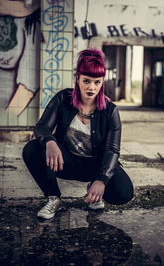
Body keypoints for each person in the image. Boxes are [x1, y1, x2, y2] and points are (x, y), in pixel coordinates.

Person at [22, 48, 134, 219]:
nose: (91, 87)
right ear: (78, 79)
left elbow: (112, 150)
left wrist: (102, 179)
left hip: (95, 165)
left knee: (124, 192)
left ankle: (93, 190)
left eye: (97, 82)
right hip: (65, 162)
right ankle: (54, 199)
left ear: (102, 82)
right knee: (31, 149)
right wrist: (49, 141)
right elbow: (42, 127)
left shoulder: (110, 110)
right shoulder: (63, 99)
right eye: (86, 81)